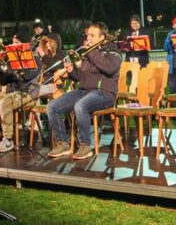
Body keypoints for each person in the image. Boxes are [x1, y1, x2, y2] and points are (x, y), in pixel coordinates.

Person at [47, 22, 121, 160]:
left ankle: (85, 145)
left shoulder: (113, 51)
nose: (88, 38)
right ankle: (63, 143)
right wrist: (71, 71)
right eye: (88, 35)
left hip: (104, 93)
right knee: (52, 106)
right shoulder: (88, 54)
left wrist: (92, 52)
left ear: (102, 37)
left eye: (92, 35)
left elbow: (110, 68)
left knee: (80, 106)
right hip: (84, 91)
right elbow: (80, 77)